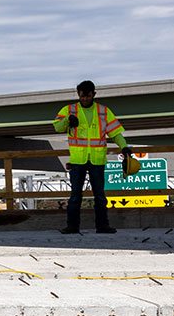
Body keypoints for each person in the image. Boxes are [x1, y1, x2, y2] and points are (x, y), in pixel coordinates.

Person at [52, 80, 128, 235]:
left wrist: (124, 147)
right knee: (75, 196)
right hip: (77, 160)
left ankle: (102, 226)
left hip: (97, 160)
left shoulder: (104, 111)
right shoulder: (69, 110)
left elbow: (115, 133)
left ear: (94, 94)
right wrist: (67, 121)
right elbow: (57, 126)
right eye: (82, 96)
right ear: (78, 95)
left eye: (88, 96)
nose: (85, 99)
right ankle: (72, 227)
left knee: (100, 196)